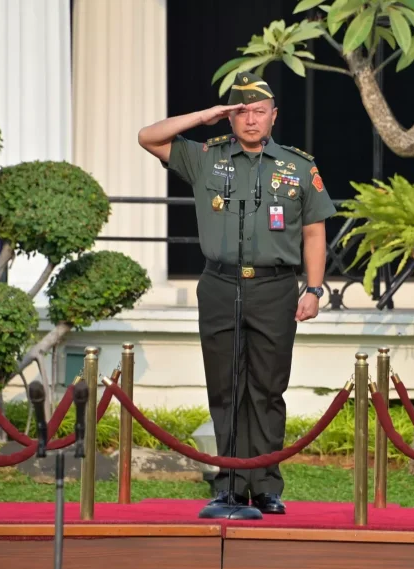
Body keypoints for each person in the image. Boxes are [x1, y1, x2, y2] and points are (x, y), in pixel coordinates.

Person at [138, 71, 336, 515]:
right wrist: (204, 116)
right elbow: (147, 137)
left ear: (273, 116)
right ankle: (228, 483)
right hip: (220, 284)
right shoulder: (205, 158)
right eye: (241, 112)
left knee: (267, 388)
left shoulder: (298, 167)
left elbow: (314, 232)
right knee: (225, 386)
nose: (250, 120)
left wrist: (314, 288)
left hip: (275, 287)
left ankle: (265, 485)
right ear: (229, 117)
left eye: (258, 112)